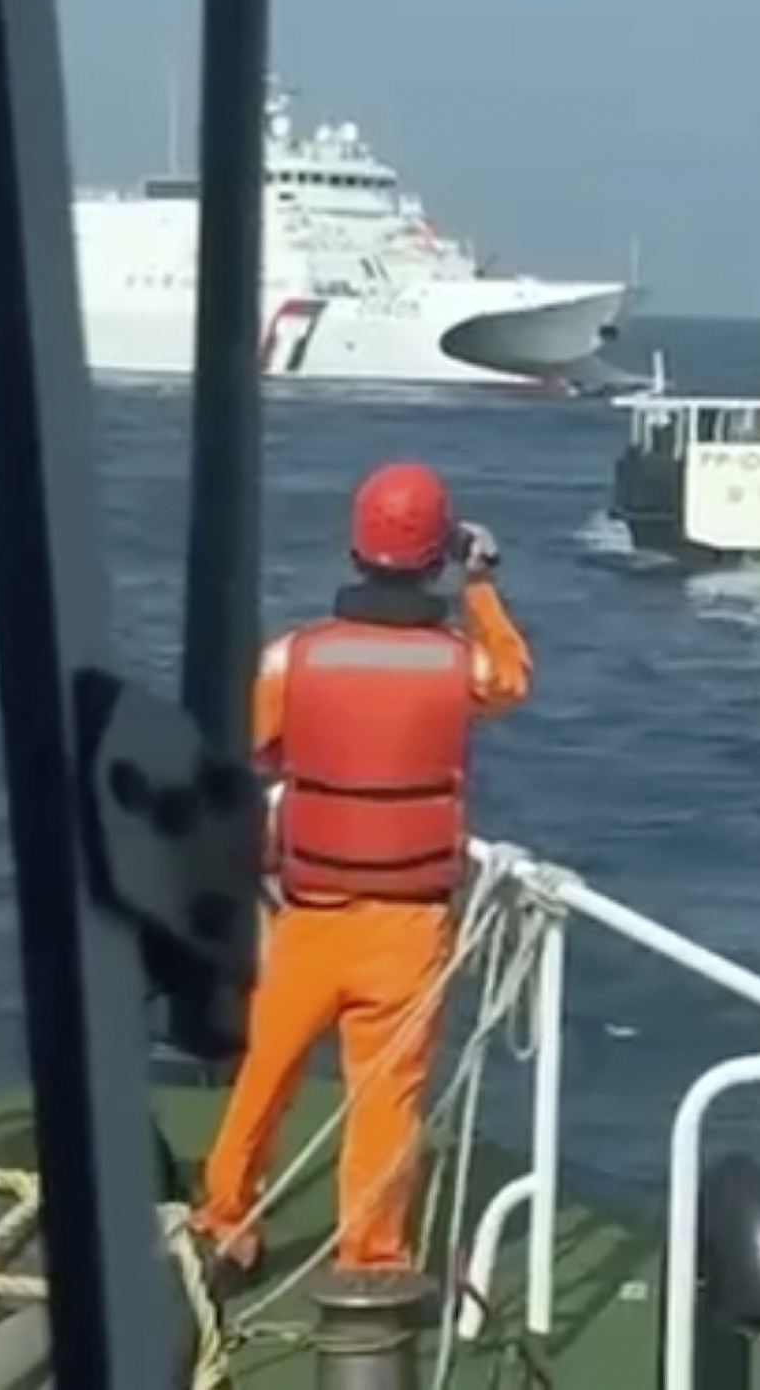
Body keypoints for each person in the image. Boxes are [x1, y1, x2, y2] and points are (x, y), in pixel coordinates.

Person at [192, 461, 531, 1276]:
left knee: (265, 1071)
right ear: (437, 552)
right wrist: (479, 586)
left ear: (355, 546)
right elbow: (511, 677)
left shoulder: (293, 659)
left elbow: (247, 749)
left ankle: (226, 1217)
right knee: (385, 1095)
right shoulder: (458, 667)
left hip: (309, 909)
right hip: (408, 923)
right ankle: (370, 1256)